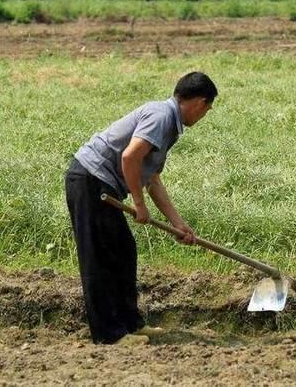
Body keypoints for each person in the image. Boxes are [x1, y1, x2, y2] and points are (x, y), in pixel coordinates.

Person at [65, 72, 218, 344]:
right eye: (208, 109)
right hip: (90, 180)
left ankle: (130, 325)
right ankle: (110, 335)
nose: (205, 114)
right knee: (100, 259)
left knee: (123, 252)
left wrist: (177, 224)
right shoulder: (161, 117)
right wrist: (138, 203)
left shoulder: (169, 124)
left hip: (103, 184)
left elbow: (152, 179)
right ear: (199, 103)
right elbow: (129, 156)